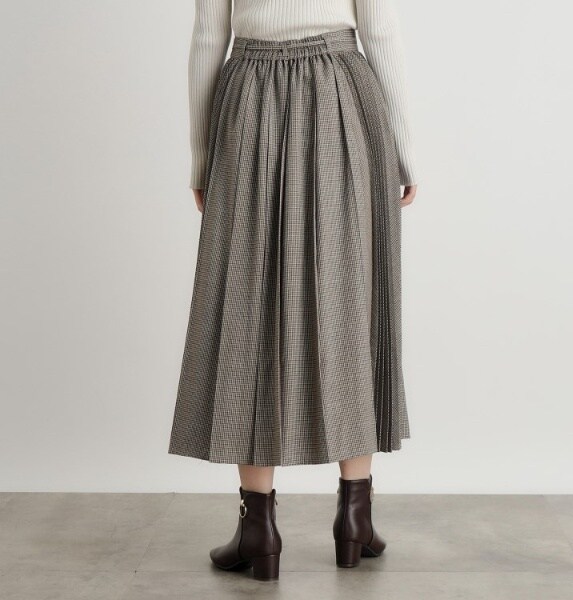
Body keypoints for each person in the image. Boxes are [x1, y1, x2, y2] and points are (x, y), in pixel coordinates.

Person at [168, 0, 419, 581]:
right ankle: (355, 517)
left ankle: (257, 528)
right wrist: (404, 151)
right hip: (342, 95)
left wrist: (201, 158)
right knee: (351, 300)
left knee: (246, 305)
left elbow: (207, 40)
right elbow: (381, 32)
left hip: (249, 96)